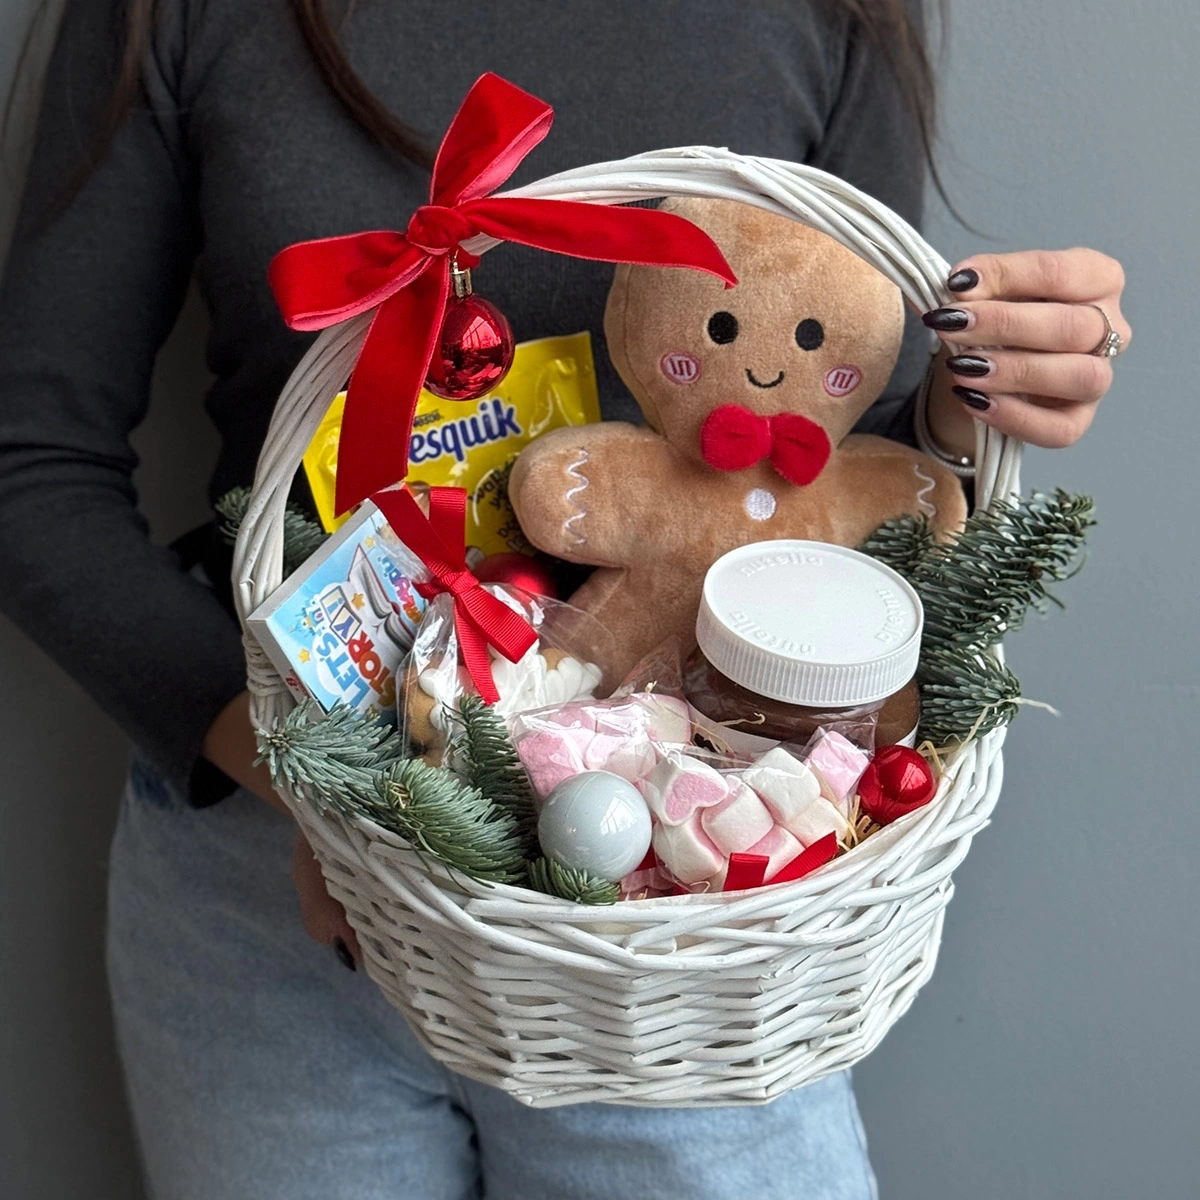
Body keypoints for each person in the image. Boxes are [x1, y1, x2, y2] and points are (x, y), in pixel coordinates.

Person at [0, 2, 1131, 1197]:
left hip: (696, 890)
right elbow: (31, 463)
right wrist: (334, 799)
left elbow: (818, 470)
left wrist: (970, 402)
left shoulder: (828, 17)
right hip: (269, 883)